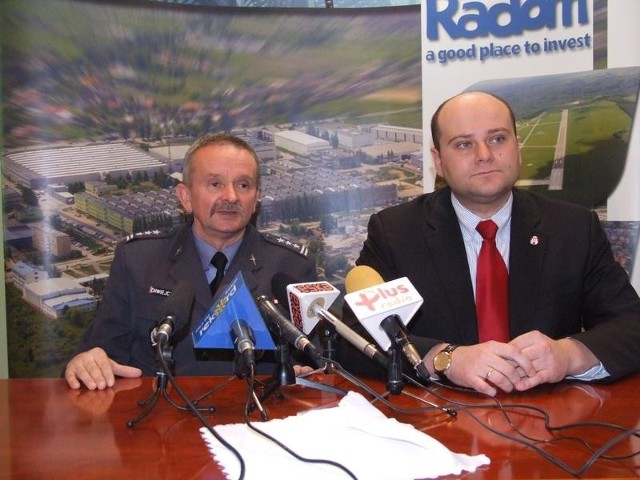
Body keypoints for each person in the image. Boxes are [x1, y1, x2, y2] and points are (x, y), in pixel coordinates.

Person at [337, 91, 640, 397]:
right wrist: (445, 358)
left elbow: (631, 325)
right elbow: (352, 337)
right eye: (464, 144)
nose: (484, 154)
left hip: (550, 420)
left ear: (517, 148)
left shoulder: (573, 228)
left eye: (497, 139)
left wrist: (569, 355)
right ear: (439, 162)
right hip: (440, 421)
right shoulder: (396, 232)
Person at [65, 133, 318, 390]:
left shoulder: (291, 268)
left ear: (256, 199)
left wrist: (307, 373)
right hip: (161, 418)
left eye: (243, 185)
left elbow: (318, 365)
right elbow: (101, 353)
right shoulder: (137, 260)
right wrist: (87, 362)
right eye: (215, 184)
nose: (231, 197)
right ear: (185, 197)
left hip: (257, 419)